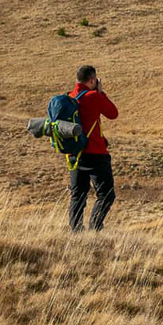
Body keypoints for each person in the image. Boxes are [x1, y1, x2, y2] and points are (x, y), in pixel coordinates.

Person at [68, 65, 119, 231]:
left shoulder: (69, 97)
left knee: (78, 195)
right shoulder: (93, 96)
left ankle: (75, 231)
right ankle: (95, 229)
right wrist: (100, 92)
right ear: (92, 80)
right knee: (106, 195)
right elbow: (113, 113)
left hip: (74, 154)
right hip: (95, 153)